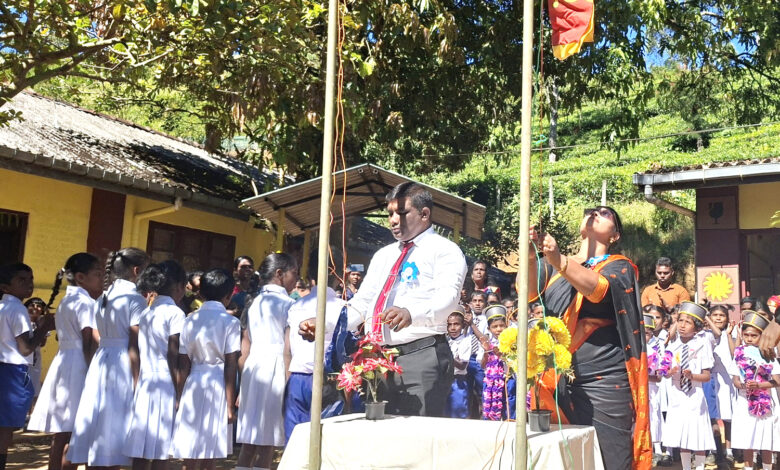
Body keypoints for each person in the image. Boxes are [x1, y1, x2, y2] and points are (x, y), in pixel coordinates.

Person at [299, 182, 467, 417]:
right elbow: (362, 303)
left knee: (416, 433)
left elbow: (448, 299)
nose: (393, 220)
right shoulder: (383, 255)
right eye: (390, 214)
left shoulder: (445, 251)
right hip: (377, 360)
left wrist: (411, 313)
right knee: (377, 432)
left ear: (424, 214)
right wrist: (325, 324)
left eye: (402, 213)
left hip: (421, 357)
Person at [524, 205, 651, 469]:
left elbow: (597, 290)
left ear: (615, 235)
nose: (594, 213)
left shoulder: (620, 266)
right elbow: (527, 292)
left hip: (604, 379)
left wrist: (559, 260)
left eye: (605, 213)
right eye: (591, 211)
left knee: (610, 457)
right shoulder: (553, 264)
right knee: (559, 457)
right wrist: (531, 256)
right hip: (557, 376)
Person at [67, 248, 150, 468]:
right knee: (115, 425)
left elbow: (98, 335)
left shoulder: (103, 297)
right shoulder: (135, 299)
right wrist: (137, 381)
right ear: (136, 270)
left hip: (102, 360)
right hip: (122, 364)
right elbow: (134, 344)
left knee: (99, 422)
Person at [28, 253, 102, 470]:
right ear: (81, 277)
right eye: (97, 274)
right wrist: (94, 371)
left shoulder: (66, 301)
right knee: (73, 430)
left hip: (64, 362)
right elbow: (88, 340)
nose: (101, 279)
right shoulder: (85, 303)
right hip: (80, 365)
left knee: (61, 432)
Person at [169, 269, 240, 467]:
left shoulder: (189, 320)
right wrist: (229, 406)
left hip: (192, 383)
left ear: (201, 293)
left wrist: (179, 396)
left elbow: (183, 363)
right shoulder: (231, 322)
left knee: (191, 446)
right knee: (211, 448)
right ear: (229, 295)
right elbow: (231, 365)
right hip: (218, 384)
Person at [236, 253, 298, 470]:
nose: (296, 279)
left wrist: (242, 386)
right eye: (294, 273)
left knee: (250, 441)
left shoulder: (254, 303)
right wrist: (289, 382)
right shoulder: (289, 304)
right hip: (275, 368)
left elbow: (245, 347)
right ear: (280, 274)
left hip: (252, 369)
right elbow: (288, 350)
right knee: (267, 443)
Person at [124, 260, 187, 468]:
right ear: (178, 286)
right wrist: (179, 392)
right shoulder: (175, 313)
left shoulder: (146, 313)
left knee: (141, 444)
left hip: (146, 381)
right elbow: (173, 355)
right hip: (165, 383)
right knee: (161, 447)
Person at [0, 263, 55, 470]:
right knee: (5, 429)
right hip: (13, 372)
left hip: (5, 368)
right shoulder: (17, 309)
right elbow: (25, 348)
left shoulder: (3, 307)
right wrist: (45, 326)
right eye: (21, 280)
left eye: (30, 279)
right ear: (5, 287)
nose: (29, 284)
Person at [283, 285, 346, 441]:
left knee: (295, 439)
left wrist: (288, 379)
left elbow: (287, 349)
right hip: (327, 379)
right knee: (325, 439)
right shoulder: (343, 307)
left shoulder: (296, 306)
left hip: (297, 376)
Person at [661, 302, 716, 470]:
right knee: (682, 435)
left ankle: (699, 467)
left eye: (688, 322)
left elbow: (707, 376)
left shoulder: (702, 345)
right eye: (680, 321)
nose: (682, 325)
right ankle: (685, 467)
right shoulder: (672, 346)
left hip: (694, 396)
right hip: (677, 395)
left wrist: (692, 376)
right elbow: (664, 372)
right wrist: (670, 372)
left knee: (697, 434)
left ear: (697, 328)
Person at [727, 311, 779, 470]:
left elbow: (777, 380)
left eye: (754, 335)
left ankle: (767, 467)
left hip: (765, 401)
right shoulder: (739, 352)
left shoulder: (768, 353)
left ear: (762, 336)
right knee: (747, 438)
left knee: (766, 439)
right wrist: (744, 385)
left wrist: (759, 386)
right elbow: (735, 379)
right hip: (745, 400)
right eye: (746, 335)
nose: (749, 338)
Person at [707, 304, 738, 466]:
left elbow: (735, 354)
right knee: (712, 417)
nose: (718, 318)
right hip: (710, 378)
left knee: (728, 417)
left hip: (726, 379)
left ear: (727, 319)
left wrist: (730, 335)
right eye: (715, 315)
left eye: (722, 315)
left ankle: (730, 451)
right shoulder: (705, 334)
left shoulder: (730, 334)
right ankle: (714, 451)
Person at [480, 306, 513, 421]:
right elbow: (482, 365)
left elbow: (514, 362)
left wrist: (501, 355)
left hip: (508, 380)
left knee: (508, 406)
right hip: (491, 382)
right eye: (495, 326)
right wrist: (486, 352)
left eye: (501, 326)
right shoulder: (486, 342)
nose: (499, 329)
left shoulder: (512, 341)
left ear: (506, 326)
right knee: (491, 408)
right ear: (489, 329)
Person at [446, 309, 470, 419]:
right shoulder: (445, 340)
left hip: (457, 381)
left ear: (463, 325)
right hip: (443, 380)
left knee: (458, 413)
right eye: (449, 325)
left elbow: (462, 365)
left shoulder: (465, 341)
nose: (453, 328)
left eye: (456, 324)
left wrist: (447, 355)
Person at [23, 297, 48, 398]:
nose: (35, 308)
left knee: (34, 383)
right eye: (32, 305)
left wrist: (40, 327)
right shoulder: (22, 321)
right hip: (23, 357)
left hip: (35, 359)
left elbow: (42, 343)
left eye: (38, 306)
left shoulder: (42, 323)